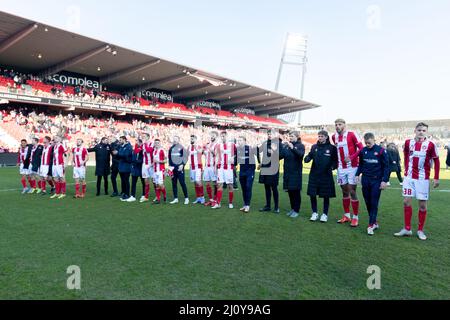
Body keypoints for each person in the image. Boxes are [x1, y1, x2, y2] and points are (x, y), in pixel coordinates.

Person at [394, 122, 440, 241]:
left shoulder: (430, 145)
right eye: (419, 130)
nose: (421, 132)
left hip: (422, 179)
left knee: (423, 205)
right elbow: (405, 156)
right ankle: (407, 228)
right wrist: (405, 171)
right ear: (415, 130)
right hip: (409, 178)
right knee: (406, 201)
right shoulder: (408, 143)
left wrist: (436, 177)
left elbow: (437, 161)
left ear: (427, 132)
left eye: (424, 130)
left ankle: (420, 230)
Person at [355, 133, 390, 236]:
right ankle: (374, 222)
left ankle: (370, 225)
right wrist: (357, 174)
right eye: (366, 143)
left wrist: (384, 180)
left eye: (369, 143)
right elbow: (361, 164)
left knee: (374, 202)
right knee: (367, 202)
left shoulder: (381, 151)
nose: (367, 144)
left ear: (374, 140)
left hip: (376, 181)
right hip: (365, 180)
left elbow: (386, 167)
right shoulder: (363, 151)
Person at [332, 118, 364, 227]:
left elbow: (361, 148)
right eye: (336, 124)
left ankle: (355, 217)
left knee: (352, 191)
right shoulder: (334, 136)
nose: (337, 126)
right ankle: (346, 215)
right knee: (344, 191)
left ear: (344, 125)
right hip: (341, 168)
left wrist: (352, 157)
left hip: (353, 167)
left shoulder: (352, 134)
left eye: (339, 124)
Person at [304, 130, 338, 223]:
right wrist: (307, 158)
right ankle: (314, 213)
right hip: (314, 174)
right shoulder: (314, 147)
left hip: (326, 175)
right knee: (312, 194)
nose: (320, 138)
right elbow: (309, 156)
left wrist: (332, 167)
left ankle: (324, 214)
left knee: (326, 195)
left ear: (326, 137)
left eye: (322, 136)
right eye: (319, 136)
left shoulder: (332, 148)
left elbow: (335, 161)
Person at [280, 131, 305, 218]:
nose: (290, 138)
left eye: (292, 136)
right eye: (289, 136)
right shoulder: (287, 146)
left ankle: (296, 210)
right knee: (290, 191)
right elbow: (280, 156)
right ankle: (292, 209)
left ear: (297, 137)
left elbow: (300, 155)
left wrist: (293, 148)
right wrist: (280, 147)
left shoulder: (300, 146)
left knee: (296, 192)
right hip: (287, 172)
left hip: (296, 173)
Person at [258, 130, 281, 214]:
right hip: (265, 167)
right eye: (268, 134)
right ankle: (268, 206)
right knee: (266, 187)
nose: (269, 135)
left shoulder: (278, 143)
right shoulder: (265, 143)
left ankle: (276, 207)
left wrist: (275, 152)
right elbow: (258, 151)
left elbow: (282, 155)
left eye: (270, 134)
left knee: (274, 188)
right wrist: (260, 162)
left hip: (274, 168)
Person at [212, 131, 236, 209]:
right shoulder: (218, 145)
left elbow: (237, 154)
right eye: (221, 136)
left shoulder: (232, 145)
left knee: (230, 185)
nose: (223, 137)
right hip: (221, 168)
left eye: (224, 136)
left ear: (227, 136)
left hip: (229, 168)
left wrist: (234, 159)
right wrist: (215, 167)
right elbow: (216, 156)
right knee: (219, 184)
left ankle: (230, 202)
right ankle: (218, 203)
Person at [236, 136, 258, 213]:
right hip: (242, 172)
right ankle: (245, 205)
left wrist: (259, 164)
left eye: (241, 140)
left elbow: (256, 154)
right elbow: (237, 161)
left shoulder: (249, 148)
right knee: (243, 189)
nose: (239, 142)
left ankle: (247, 205)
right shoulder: (238, 149)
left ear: (245, 141)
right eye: (238, 140)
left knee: (248, 187)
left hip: (250, 172)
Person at [168, 135, 189, 205]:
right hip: (173, 169)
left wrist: (183, 164)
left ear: (178, 140)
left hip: (180, 169)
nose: (174, 140)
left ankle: (186, 198)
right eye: (174, 139)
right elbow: (170, 159)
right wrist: (170, 168)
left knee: (182, 183)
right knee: (174, 184)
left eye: (176, 139)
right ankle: (175, 198)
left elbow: (185, 157)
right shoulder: (171, 148)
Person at [113, 136, 133, 201]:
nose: (119, 141)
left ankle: (127, 194)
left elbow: (126, 155)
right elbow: (119, 156)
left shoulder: (128, 147)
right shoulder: (121, 146)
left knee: (126, 180)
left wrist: (117, 153)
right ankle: (124, 193)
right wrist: (116, 154)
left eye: (121, 140)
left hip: (126, 166)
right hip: (121, 166)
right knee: (123, 180)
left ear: (124, 140)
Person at [203, 131, 219, 206]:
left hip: (213, 167)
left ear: (216, 137)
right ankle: (210, 199)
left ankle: (215, 200)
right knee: (207, 183)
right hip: (206, 167)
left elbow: (217, 155)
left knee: (215, 183)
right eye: (211, 135)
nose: (212, 137)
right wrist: (203, 150)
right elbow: (203, 153)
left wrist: (211, 150)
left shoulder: (217, 145)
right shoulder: (207, 145)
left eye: (213, 135)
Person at [188, 135, 205, 204]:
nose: (191, 140)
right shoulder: (189, 147)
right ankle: (198, 198)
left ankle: (202, 197)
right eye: (191, 139)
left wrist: (195, 146)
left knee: (198, 181)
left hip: (198, 166)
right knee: (195, 182)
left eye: (193, 139)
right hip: (192, 166)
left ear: (195, 139)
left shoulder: (199, 146)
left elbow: (200, 152)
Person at [127, 138, 145, 202]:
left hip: (141, 168)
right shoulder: (134, 150)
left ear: (140, 143)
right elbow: (132, 158)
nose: (136, 143)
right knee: (133, 183)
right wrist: (133, 162)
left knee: (143, 183)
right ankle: (132, 196)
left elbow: (143, 159)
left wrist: (137, 161)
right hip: (134, 169)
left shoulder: (143, 149)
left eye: (137, 142)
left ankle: (144, 195)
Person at [152, 139, 167, 204]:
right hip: (155, 170)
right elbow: (154, 160)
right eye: (155, 143)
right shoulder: (154, 151)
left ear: (160, 143)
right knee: (156, 185)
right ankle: (158, 199)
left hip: (160, 170)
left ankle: (165, 195)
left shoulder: (162, 150)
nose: (156, 144)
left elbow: (166, 160)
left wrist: (158, 161)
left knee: (160, 184)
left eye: (158, 143)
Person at [140, 133, 154, 203]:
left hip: (151, 165)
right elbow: (137, 151)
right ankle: (146, 196)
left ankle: (157, 196)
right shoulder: (143, 144)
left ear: (148, 137)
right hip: (144, 165)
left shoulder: (152, 143)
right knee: (146, 181)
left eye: (144, 136)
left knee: (154, 181)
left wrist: (144, 143)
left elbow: (149, 150)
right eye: (142, 136)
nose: (143, 137)